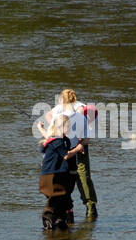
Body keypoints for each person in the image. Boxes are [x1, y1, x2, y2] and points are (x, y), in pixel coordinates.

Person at [41, 89, 98, 219]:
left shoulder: (84, 109)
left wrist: (81, 144)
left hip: (80, 144)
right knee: (66, 177)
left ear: (63, 98)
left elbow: (88, 134)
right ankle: (69, 208)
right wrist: (58, 126)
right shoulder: (59, 108)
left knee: (81, 176)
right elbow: (49, 115)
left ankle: (90, 206)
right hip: (64, 145)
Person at [39, 114, 85, 229]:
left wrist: (75, 150)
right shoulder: (57, 140)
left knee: (63, 197)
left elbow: (66, 151)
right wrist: (78, 148)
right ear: (61, 127)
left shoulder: (61, 140)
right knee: (55, 198)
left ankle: (60, 219)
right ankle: (48, 219)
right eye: (68, 126)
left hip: (57, 174)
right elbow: (66, 155)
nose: (70, 128)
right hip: (52, 175)